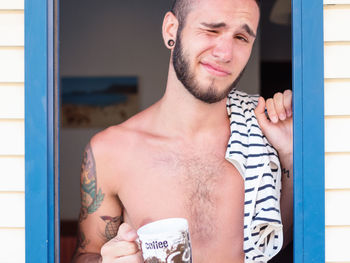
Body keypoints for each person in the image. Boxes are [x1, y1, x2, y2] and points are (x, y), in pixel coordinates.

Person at [72, 0, 293, 262]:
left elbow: (280, 240)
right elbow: (87, 254)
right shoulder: (110, 152)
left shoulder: (266, 133)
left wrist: (290, 153)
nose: (225, 53)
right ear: (171, 30)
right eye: (211, 30)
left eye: (241, 37)